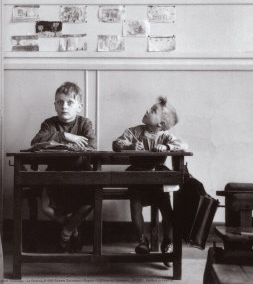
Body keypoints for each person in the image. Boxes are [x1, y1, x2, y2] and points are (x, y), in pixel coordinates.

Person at [112, 96, 187, 264]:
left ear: (161, 124)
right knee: (135, 204)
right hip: (137, 178)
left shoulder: (166, 136)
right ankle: (142, 240)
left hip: (157, 180)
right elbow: (116, 144)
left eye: (153, 111)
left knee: (167, 209)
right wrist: (129, 146)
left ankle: (168, 243)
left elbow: (183, 146)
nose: (147, 111)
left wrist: (167, 147)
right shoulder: (134, 132)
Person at [31, 82, 96, 252]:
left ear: (79, 107)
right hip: (55, 176)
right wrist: (65, 136)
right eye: (59, 102)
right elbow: (36, 142)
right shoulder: (49, 124)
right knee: (45, 208)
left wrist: (56, 143)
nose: (64, 106)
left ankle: (67, 231)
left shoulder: (85, 124)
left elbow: (91, 148)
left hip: (81, 175)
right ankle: (72, 228)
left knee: (91, 200)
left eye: (69, 102)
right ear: (55, 105)